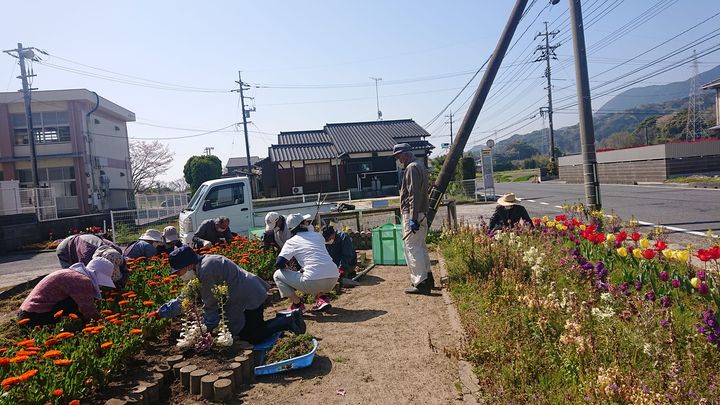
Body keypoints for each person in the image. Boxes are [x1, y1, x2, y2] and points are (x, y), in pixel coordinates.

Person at [155, 246, 305, 343]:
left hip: (248, 297)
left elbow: (211, 303)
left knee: (250, 336)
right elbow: (185, 297)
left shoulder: (207, 270)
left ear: (187, 265)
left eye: (178, 271)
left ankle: (288, 321)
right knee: (247, 329)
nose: (178, 275)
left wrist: (205, 330)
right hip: (247, 294)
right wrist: (162, 312)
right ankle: (282, 318)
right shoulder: (201, 267)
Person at [18, 257, 116, 326]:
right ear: (99, 276)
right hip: (34, 317)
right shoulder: (82, 281)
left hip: (26, 313)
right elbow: (88, 310)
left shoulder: (72, 274)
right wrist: (104, 324)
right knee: (79, 302)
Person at [273, 213, 340, 312]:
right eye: (306, 221)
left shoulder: (291, 242)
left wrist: (286, 267)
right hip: (333, 278)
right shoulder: (318, 236)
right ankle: (322, 298)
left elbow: (279, 263)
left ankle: (297, 304)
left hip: (313, 281)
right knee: (313, 272)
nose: (308, 222)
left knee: (277, 275)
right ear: (303, 224)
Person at [392, 143, 434, 295]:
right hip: (423, 213)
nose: (398, 160)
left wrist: (413, 218)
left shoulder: (411, 168)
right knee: (420, 247)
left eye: (398, 156)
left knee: (412, 248)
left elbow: (413, 196)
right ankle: (428, 278)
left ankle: (420, 282)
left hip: (413, 214)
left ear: (406, 154)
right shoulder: (420, 166)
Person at [56, 233, 122, 269]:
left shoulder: (116, 251)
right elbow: (87, 275)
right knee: (71, 275)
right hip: (65, 247)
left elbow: (124, 267)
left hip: (87, 239)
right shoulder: (87, 256)